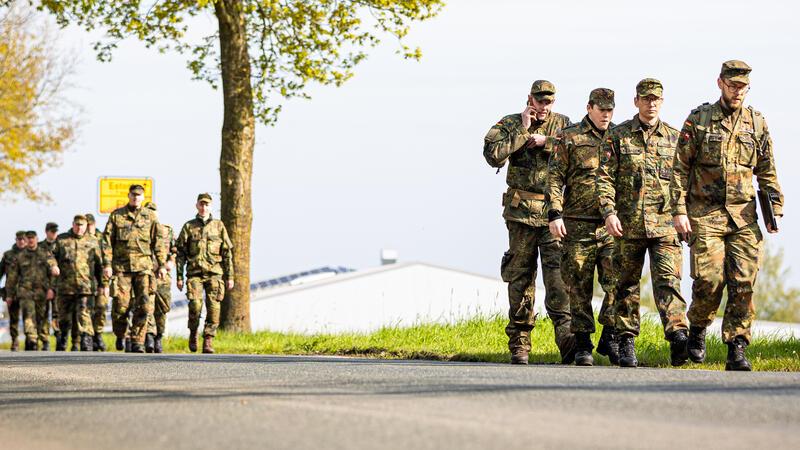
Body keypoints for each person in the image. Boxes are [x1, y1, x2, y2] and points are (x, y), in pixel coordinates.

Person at [670, 60, 783, 371]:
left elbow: (767, 171)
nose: (737, 91)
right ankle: (697, 327)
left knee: (744, 282)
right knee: (709, 281)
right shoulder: (699, 120)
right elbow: (679, 169)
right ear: (719, 83)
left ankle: (737, 345)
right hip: (705, 214)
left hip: (744, 216)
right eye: (732, 85)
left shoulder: (756, 123)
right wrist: (679, 211)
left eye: (742, 86)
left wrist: (776, 209)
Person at [596, 79, 689, 367]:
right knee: (625, 286)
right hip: (628, 225)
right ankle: (626, 341)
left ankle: (678, 337)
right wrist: (609, 213)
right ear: (636, 101)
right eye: (646, 99)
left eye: (656, 99)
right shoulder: (619, 136)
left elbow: (684, 181)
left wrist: (684, 214)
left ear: (662, 102)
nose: (651, 104)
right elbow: (604, 178)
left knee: (668, 282)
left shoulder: (675, 138)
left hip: (665, 226)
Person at [483, 80, 575, 364]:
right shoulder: (510, 123)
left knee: (558, 278)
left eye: (548, 102)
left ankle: (567, 338)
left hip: (552, 213)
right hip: (520, 214)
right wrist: (523, 132)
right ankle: (520, 342)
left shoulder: (564, 124)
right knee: (520, 279)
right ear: (530, 99)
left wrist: (546, 142)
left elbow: (577, 152)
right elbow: (492, 155)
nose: (544, 107)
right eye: (539, 101)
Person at [547, 88, 618, 366]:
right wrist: (554, 213)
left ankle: (610, 333)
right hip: (577, 225)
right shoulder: (571, 137)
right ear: (589, 108)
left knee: (618, 283)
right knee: (577, 287)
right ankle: (583, 343)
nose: (606, 114)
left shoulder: (619, 136)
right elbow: (554, 177)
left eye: (610, 110)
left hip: (611, 226)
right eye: (602, 109)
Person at [103, 184, 167, 353]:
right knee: (120, 307)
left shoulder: (150, 216)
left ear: (143, 197)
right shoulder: (117, 216)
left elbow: (158, 242)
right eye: (133, 194)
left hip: (143, 268)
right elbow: (107, 243)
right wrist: (107, 265)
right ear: (128, 195)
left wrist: (161, 265)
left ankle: (138, 340)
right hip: (122, 268)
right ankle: (120, 333)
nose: (136, 197)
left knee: (145, 306)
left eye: (139, 195)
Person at [176, 193, 234, 354]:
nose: (204, 207)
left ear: (210, 207)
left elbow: (227, 253)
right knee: (195, 305)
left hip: (214, 273)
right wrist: (179, 276)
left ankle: (208, 339)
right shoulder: (189, 227)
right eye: (201, 204)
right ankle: (193, 332)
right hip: (194, 274)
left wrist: (230, 277)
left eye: (207, 205)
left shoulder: (219, 226)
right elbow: (180, 253)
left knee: (214, 308)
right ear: (197, 206)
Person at [51, 215, 106, 351]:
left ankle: (86, 340)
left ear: (86, 226)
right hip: (65, 286)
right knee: (64, 317)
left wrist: (102, 284)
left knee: (84, 312)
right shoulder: (62, 239)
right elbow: (50, 255)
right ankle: (63, 339)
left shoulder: (93, 241)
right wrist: (53, 265)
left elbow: (100, 265)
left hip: (85, 286)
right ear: (73, 224)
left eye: (82, 225)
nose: (79, 228)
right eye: (77, 225)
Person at [4, 231, 58, 350]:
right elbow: (12, 278)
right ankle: (32, 340)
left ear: (37, 239)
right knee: (28, 317)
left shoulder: (44, 253)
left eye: (32, 238)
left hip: (42, 293)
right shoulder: (19, 256)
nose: (30, 240)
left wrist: (51, 289)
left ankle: (44, 340)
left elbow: (52, 268)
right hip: (25, 292)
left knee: (42, 317)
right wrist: (9, 295)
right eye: (28, 238)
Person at [143, 202, 176, 354]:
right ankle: (149, 336)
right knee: (147, 306)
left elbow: (176, 250)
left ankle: (159, 337)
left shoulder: (167, 231)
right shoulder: (140, 231)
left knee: (162, 308)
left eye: (153, 212)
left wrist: (171, 261)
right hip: (146, 274)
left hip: (163, 276)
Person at [1, 231, 29, 351]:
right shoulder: (8, 255)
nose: (21, 241)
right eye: (19, 239)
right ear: (16, 240)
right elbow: (0, 272)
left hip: (28, 293)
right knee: (13, 319)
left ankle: (31, 342)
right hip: (11, 293)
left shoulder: (31, 254)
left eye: (23, 239)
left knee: (29, 318)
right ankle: (15, 341)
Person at [85, 213, 109, 351]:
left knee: (101, 308)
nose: (88, 228)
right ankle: (89, 337)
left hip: (100, 280)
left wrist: (104, 284)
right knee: (86, 310)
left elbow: (106, 263)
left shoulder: (102, 239)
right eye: (86, 225)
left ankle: (98, 334)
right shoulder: (81, 239)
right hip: (85, 281)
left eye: (90, 225)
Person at [42, 222, 61, 343]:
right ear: (46, 231)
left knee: (57, 313)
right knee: (43, 313)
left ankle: (59, 337)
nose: (54, 233)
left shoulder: (61, 245)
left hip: (58, 285)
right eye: (52, 231)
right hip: (42, 285)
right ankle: (44, 340)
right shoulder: (39, 247)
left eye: (55, 231)